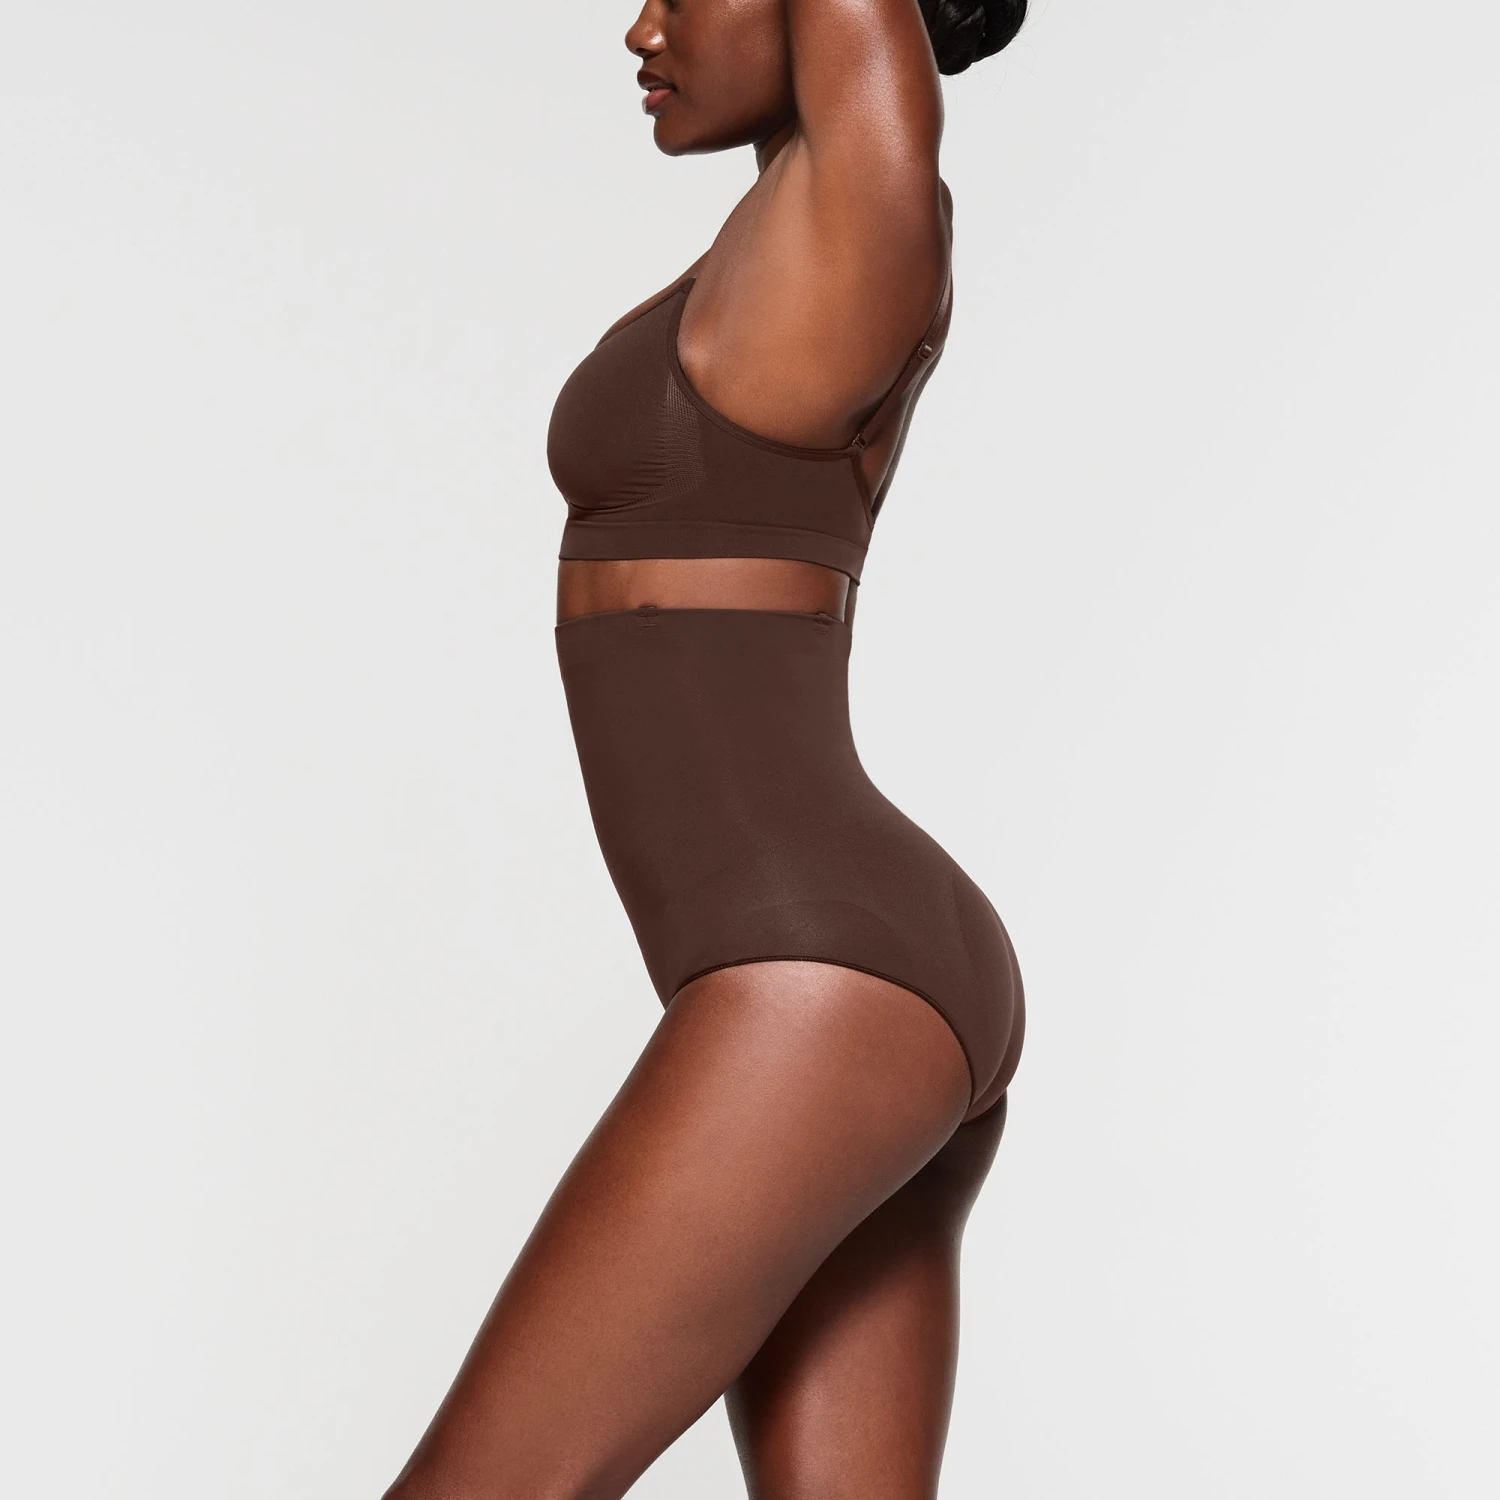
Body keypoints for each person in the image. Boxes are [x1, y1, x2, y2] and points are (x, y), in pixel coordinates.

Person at [385, 3, 1027, 1496]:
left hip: (821, 973)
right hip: (863, 976)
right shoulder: (784, 237)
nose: (641, 25)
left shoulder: (865, 210)